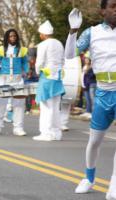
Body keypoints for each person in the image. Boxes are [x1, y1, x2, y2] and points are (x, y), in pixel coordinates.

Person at [65, 2, 116, 198]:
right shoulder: (92, 33)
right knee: (94, 142)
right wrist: (73, 30)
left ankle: (113, 184)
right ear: (103, 10)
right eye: (113, 6)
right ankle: (88, 178)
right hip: (102, 94)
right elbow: (69, 54)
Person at [0, 29, 29, 136]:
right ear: (7, 38)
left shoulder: (22, 50)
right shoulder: (1, 50)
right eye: (11, 36)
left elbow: (25, 63)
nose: (13, 38)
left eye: (14, 36)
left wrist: (27, 70)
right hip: (4, 80)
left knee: (19, 104)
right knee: (0, 104)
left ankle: (18, 128)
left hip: (17, 80)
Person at [33, 20, 65, 141]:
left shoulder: (43, 45)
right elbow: (63, 61)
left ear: (43, 34)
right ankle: (57, 133)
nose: (40, 36)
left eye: (40, 33)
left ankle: (46, 133)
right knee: (56, 107)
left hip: (46, 78)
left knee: (46, 107)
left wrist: (37, 71)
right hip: (57, 78)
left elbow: (39, 63)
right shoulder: (59, 43)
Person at [80, 52, 96, 119]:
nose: (86, 60)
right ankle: (88, 111)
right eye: (85, 59)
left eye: (87, 59)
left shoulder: (92, 67)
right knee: (87, 99)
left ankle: (94, 113)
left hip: (91, 84)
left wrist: (87, 73)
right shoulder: (84, 66)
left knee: (93, 99)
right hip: (85, 85)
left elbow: (92, 76)